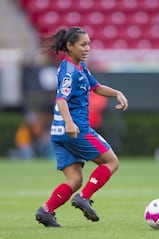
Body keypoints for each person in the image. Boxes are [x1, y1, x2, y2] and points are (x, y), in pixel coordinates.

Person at [35, 26, 128, 227]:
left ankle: (46, 211)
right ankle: (84, 197)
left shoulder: (78, 66)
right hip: (75, 130)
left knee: (74, 179)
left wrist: (116, 93)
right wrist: (70, 122)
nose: (87, 48)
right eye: (83, 44)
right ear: (69, 46)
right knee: (111, 162)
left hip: (59, 134)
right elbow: (61, 99)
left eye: (89, 44)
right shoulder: (70, 71)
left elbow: (96, 87)